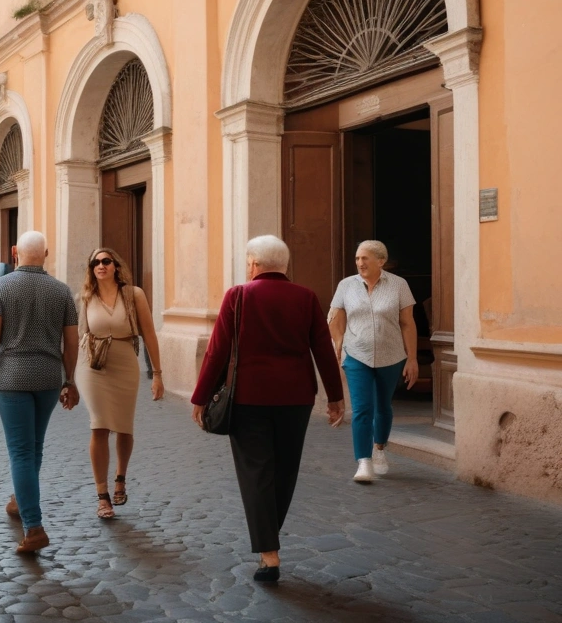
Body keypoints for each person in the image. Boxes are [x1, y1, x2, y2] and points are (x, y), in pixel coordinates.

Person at [191, 235, 344, 583]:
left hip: (249, 397)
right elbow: (323, 348)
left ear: (253, 264)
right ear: (284, 265)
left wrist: (200, 396)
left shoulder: (238, 295)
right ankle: (269, 536)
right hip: (296, 397)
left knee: (256, 472)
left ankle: (269, 553)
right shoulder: (306, 297)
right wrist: (335, 397)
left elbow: (217, 350)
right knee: (286, 469)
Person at [0, 231, 80, 554]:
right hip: (48, 377)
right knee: (34, 447)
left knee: (20, 451)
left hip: (12, 377)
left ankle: (34, 527)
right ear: (46, 254)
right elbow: (71, 341)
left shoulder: (2, 287)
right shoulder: (61, 291)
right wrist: (70, 380)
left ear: (15, 251)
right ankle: (21, 500)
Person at [75, 248, 164, 519]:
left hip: (125, 363)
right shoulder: (86, 297)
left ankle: (120, 478)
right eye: (95, 262)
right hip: (93, 365)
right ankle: (102, 496)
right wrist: (69, 379)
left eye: (106, 261)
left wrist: (157, 374)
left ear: (116, 266)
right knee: (99, 425)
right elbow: (80, 335)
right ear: (91, 269)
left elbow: (149, 334)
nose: (100, 266)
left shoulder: (134, 294)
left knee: (124, 427)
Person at [328, 239, 419, 483]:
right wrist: (339, 345)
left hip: (391, 356)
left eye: (364, 258)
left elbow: (407, 323)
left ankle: (379, 448)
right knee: (362, 409)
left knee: (383, 407)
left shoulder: (399, 285)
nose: (360, 263)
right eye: (357, 259)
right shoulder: (346, 285)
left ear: (381, 261)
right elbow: (335, 317)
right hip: (356, 354)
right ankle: (363, 462)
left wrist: (412, 358)